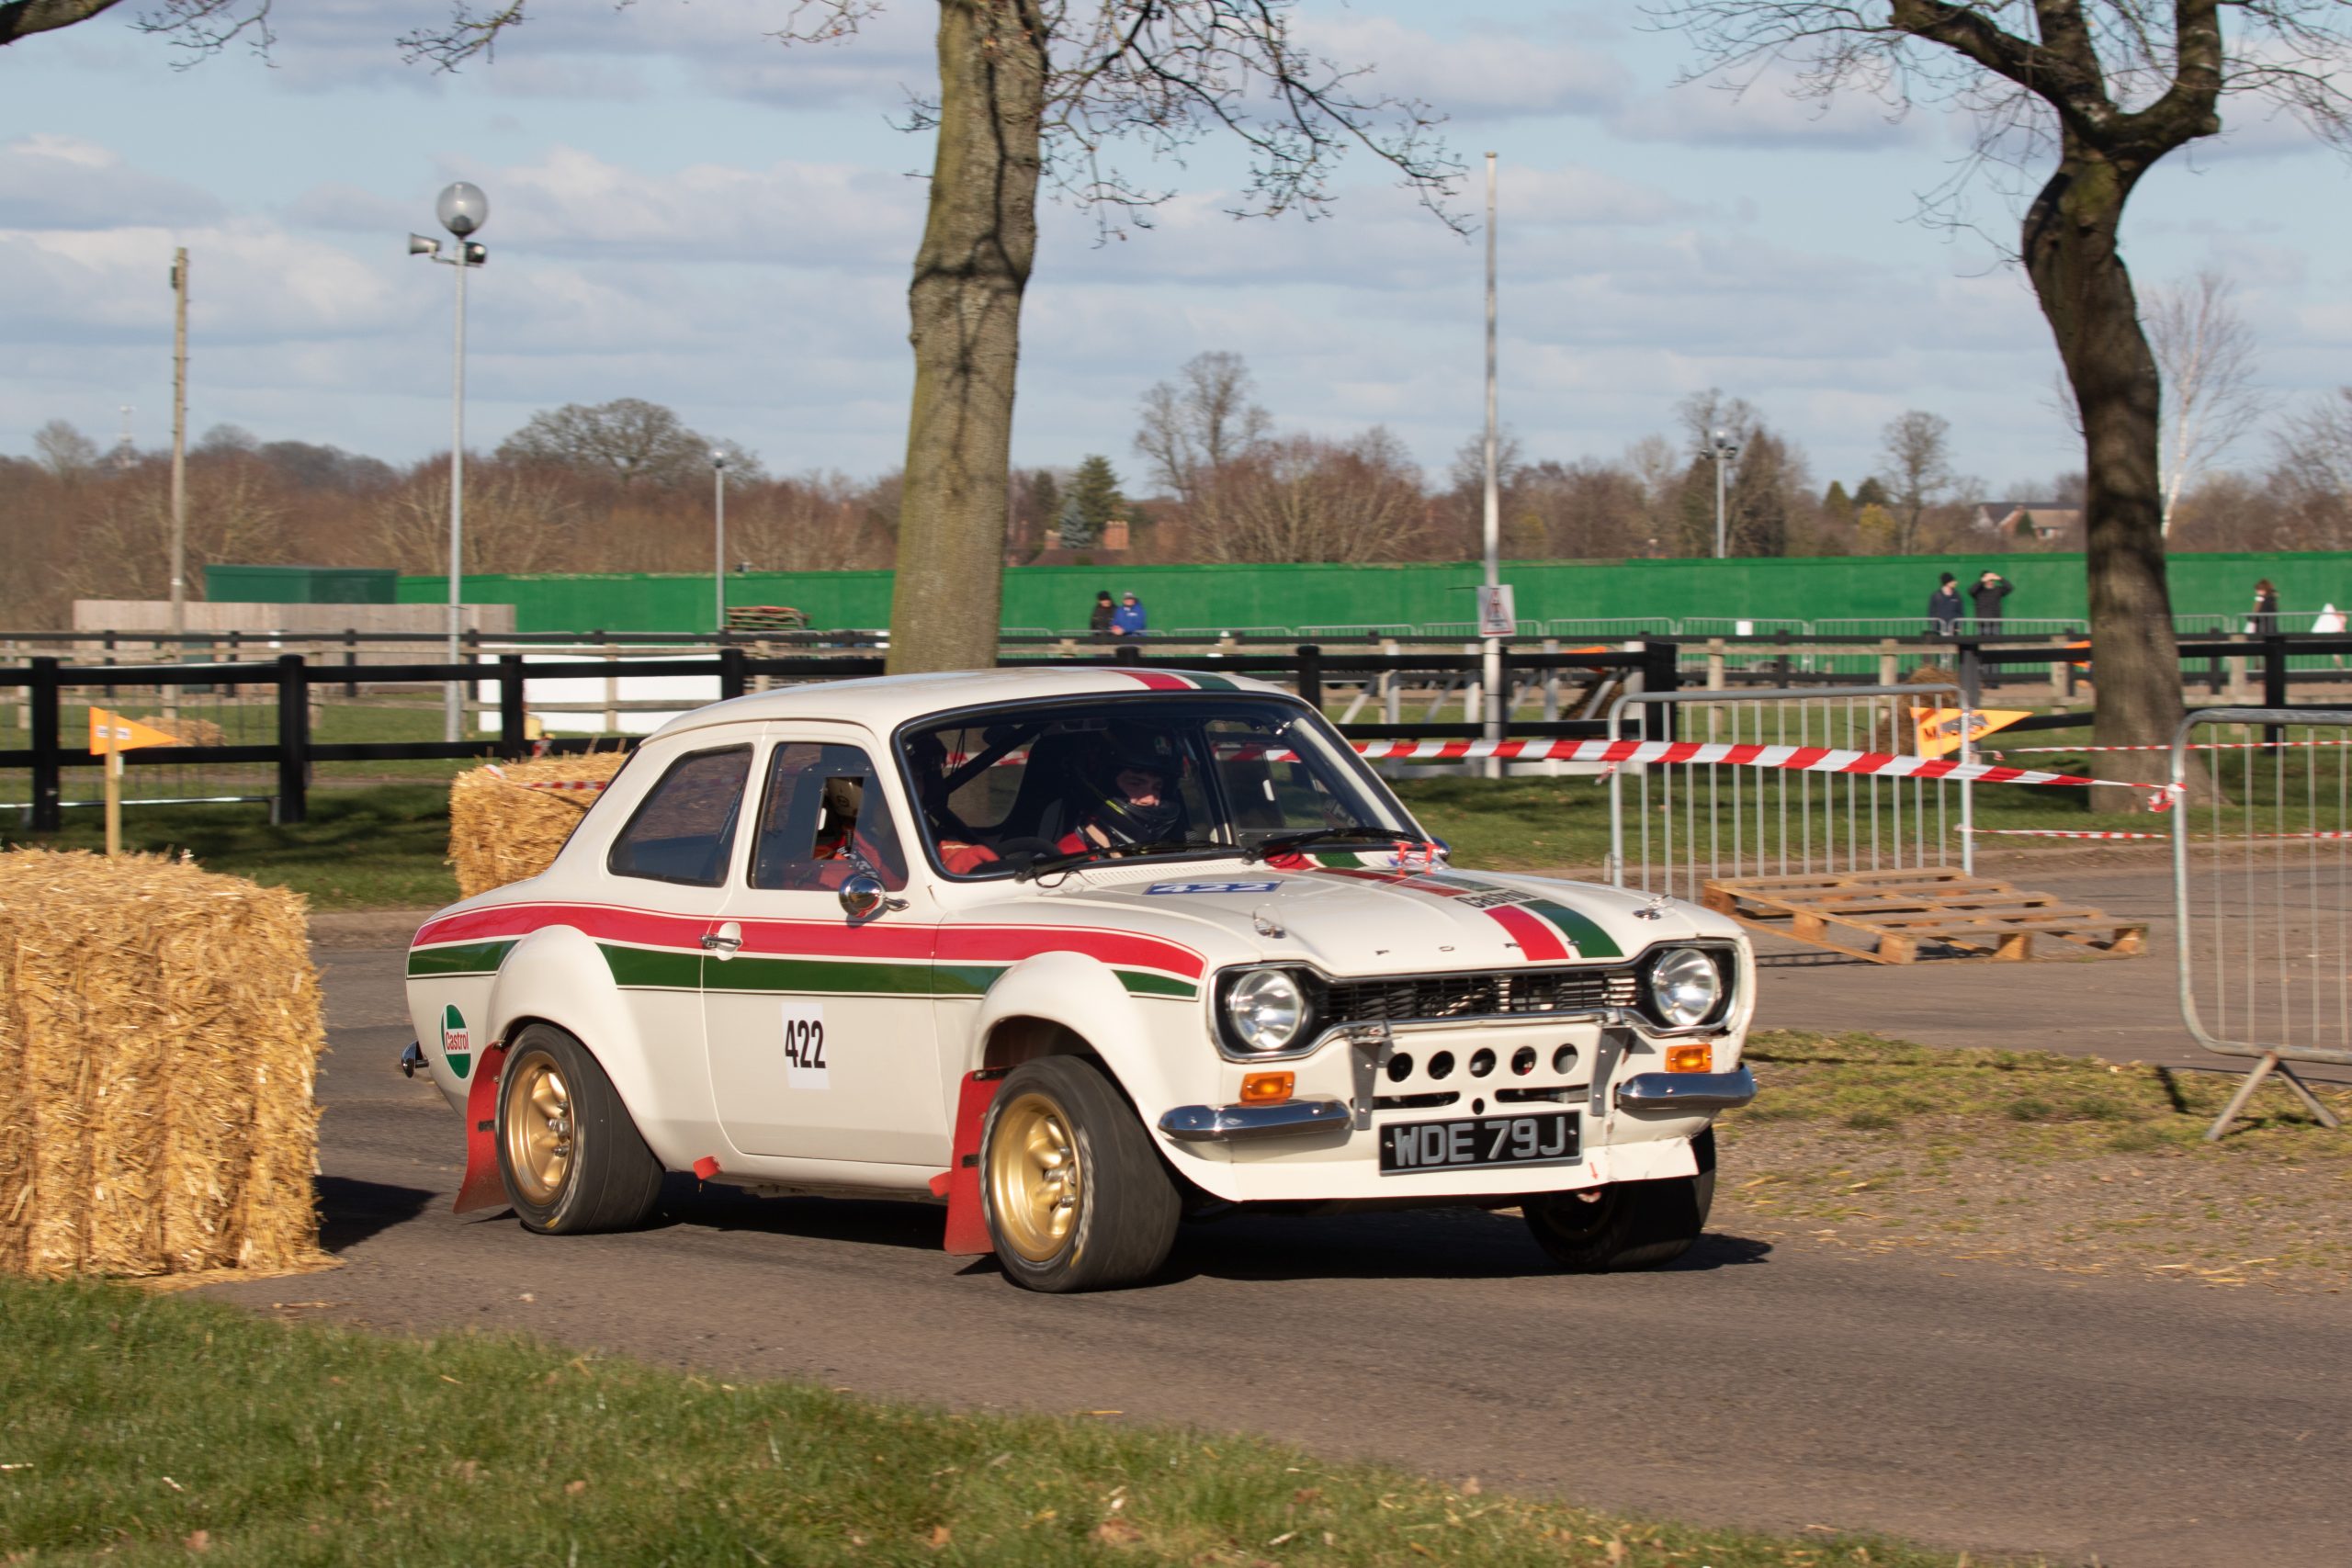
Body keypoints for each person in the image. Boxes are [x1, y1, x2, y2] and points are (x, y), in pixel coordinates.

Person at [1056, 731, 1185, 853]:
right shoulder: (1066, 858)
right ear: (1105, 787)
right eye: (1135, 783)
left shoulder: (1177, 853)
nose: (1150, 800)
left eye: (1157, 787)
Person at [1972, 570, 2013, 636]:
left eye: (1992, 580)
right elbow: (1971, 590)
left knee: (1995, 644)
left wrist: (2000, 579)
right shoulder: (1978, 591)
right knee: (1982, 643)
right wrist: (1982, 581)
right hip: (1982, 623)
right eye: (1988, 579)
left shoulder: (1998, 590)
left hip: (1995, 623)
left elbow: (2010, 587)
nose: (1990, 581)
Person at [1928, 572, 1962, 637]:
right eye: (1953, 581)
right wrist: (1935, 627)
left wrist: (1958, 626)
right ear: (1947, 582)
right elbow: (1931, 613)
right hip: (1939, 632)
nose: (1955, 582)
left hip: (1953, 631)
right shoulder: (1936, 596)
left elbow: (1960, 612)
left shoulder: (1957, 595)